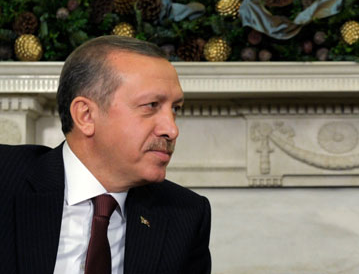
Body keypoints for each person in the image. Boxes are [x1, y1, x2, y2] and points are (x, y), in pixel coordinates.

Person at [0, 35, 211, 273]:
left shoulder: (184, 216)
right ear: (86, 116)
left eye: (175, 109)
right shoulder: (6, 179)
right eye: (151, 105)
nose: (172, 130)